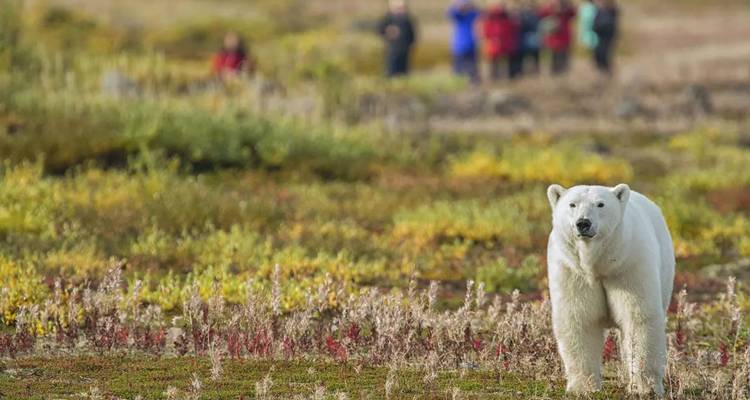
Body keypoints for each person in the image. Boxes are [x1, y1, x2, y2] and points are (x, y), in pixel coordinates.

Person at [377, 0, 417, 78]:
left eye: (401, 7)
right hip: (392, 49)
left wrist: (411, 45)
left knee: (404, 71)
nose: (399, 9)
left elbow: (412, 34)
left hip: (405, 49)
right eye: (397, 7)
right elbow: (380, 30)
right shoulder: (388, 18)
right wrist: (388, 31)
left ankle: (403, 86)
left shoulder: (407, 19)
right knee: (391, 71)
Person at [483, 1, 521, 81]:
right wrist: (493, 38)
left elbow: (514, 28)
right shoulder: (490, 17)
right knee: (494, 60)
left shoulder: (507, 17)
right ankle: (495, 77)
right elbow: (487, 30)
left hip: (506, 42)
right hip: (495, 42)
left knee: (508, 60)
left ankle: (509, 76)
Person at [539, 0, 576, 75]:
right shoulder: (550, 7)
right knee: (554, 59)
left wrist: (567, 5)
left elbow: (573, 13)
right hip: (553, 39)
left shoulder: (566, 8)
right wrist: (551, 7)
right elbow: (541, 14)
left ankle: (563, 75)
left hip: (564, 39)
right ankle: (555, 74)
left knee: (564, 58)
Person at [448, 0, 481, 83]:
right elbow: (450, 13)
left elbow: (480, 12)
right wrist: (456, 6)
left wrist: (471, 6)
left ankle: (473, 82)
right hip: (459, 46)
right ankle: (457, 82)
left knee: (472, 67)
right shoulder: (458, 16)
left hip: (471, 45)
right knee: (458, 68)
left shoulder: (470, 15)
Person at [592, 0, 619, 75]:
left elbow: (609, 25)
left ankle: (608, 73)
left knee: (604, 55)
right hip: (599, 37)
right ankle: (602, 73)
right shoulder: (598, 11)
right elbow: (595, 25)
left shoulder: (611, 11)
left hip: (607, 38)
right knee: (598, 55)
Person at [518, 0, 541, 76]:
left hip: (534, 38)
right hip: (524, 39)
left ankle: (535, 71)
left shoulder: (537, 14)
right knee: (524, 56)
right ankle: (523, 72)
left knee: (535, 55)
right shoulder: (521, 14)